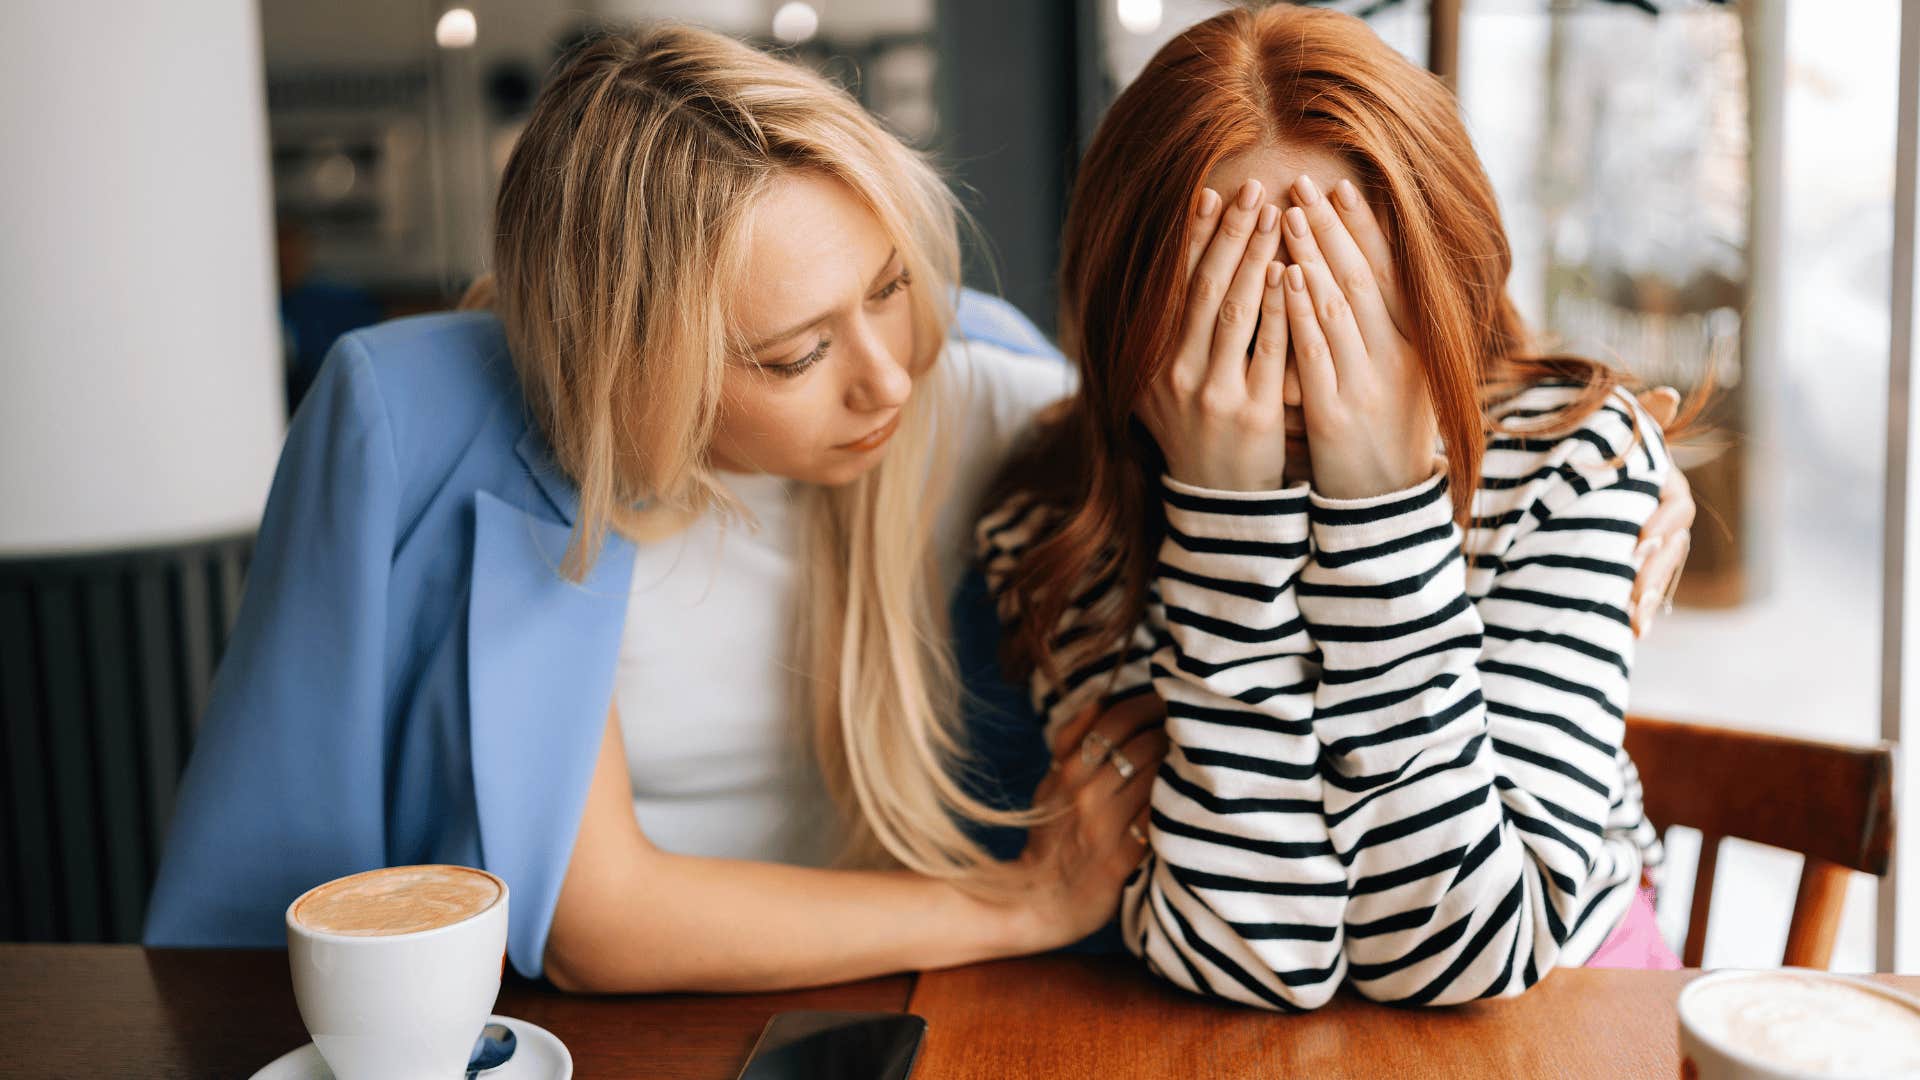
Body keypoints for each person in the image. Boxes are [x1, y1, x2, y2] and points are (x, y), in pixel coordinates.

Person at [144, 24, 1166, 992]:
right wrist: (1016, 909)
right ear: (637, 371)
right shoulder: (412, 414)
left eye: (891, 286)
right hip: (545, 1028)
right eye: (796, 354)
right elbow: (594, 917)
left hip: (927, 1002)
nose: (887, 379)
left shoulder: (979, 384)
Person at [977, 3, 1694, 1011]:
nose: (1300, 374)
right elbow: (1255, 957)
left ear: (1449, 278)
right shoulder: (1060, 524)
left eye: (1345, 300)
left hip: (1574, 1015)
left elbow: (1466, 960)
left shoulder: (1569, 461)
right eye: (1233, 312)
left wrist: (1382, 509)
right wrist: (1225, 523)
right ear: (1128, 309)